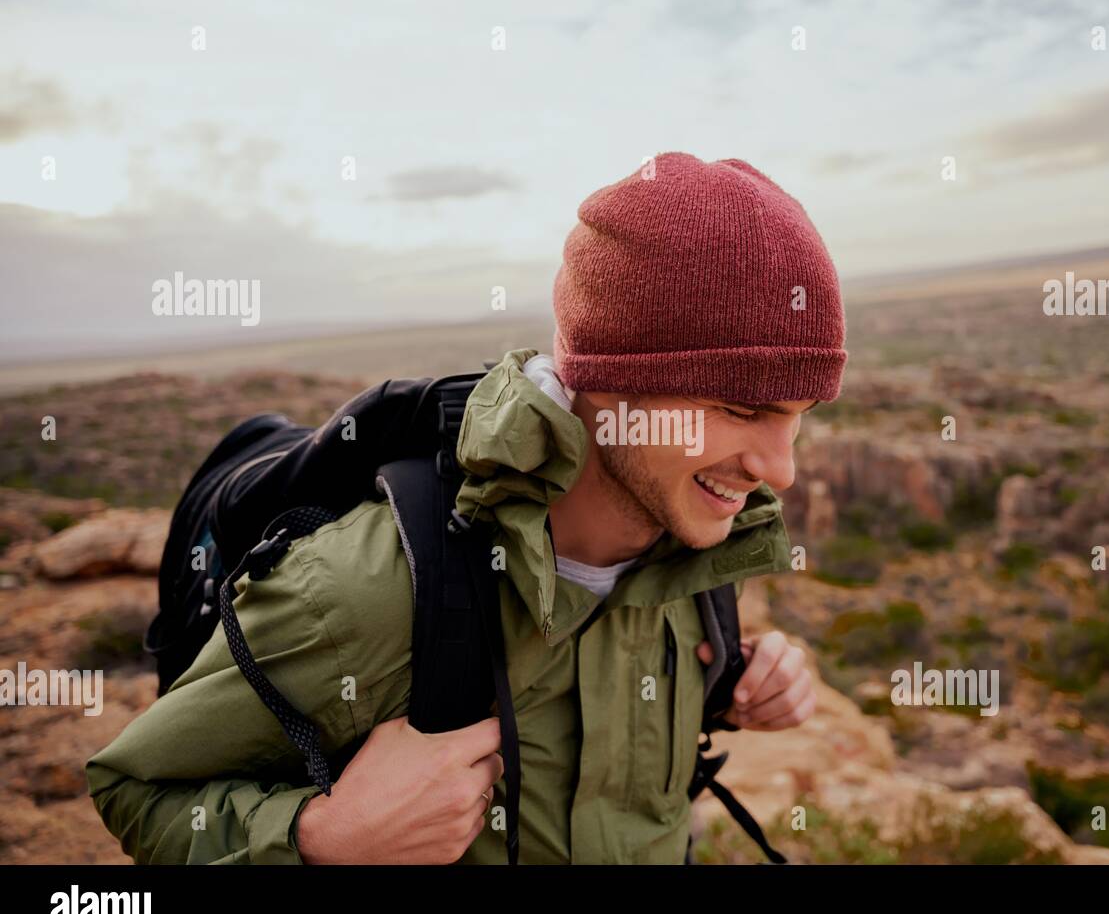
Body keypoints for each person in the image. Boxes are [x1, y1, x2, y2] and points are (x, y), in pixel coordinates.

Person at [85, 151, 847, 864]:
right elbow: (138, 788)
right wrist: (321, 838)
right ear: (613, 380)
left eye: (799, 413)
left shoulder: (701, 547)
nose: (780, 469)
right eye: (742, 410)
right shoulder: (366, 589)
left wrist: (732, 693)